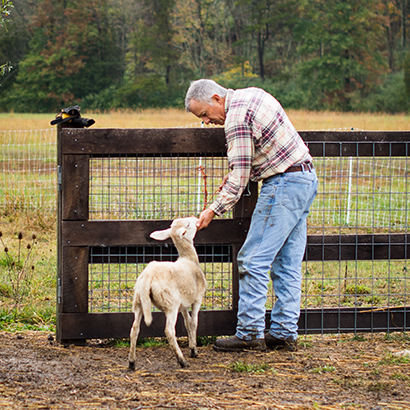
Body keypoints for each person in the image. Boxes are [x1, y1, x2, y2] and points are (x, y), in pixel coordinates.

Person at [185, 79, 318, 352]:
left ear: (216, 98)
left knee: (252, 260)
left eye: (205, 114)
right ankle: (284, 331)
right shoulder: (253, 96)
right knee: (287, 263)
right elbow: (260, 154)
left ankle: (249, 333)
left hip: (283, 184)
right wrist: (240, 173)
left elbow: (240, 174)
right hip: (304, 178)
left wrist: (213, 209)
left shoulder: (235, 117)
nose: (207, 122)